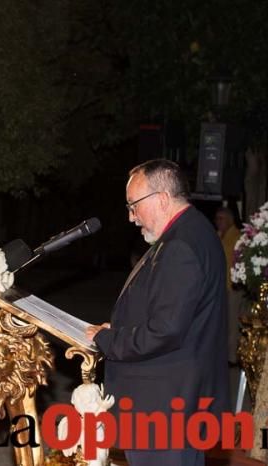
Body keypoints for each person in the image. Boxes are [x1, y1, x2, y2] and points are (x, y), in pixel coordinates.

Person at [85, 159, 228, 466]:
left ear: (162, 199)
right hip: (178, 398)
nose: (131, 217)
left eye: (134, 205)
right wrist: (122, 325)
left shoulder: (180, 246)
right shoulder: (194, 231)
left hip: (164, 407)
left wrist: (109, 339)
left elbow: (166, 330)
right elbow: (176, 311)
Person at [215, 206, 243, 366]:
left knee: (232, 322)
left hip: (232, 285)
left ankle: (232, 357)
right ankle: (224, 354)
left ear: (229, 220)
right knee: (223, 323)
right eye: (217, 219)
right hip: (220, 286)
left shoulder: (236, 236)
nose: (218, 222)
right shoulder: (219, 235)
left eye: (221, 218)